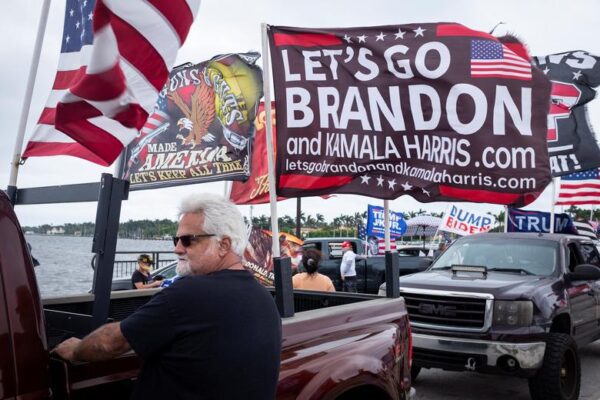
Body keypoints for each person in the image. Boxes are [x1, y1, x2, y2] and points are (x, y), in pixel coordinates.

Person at [53, 193, 282, 400]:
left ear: (223, 245)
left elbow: (110, 343)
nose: (177, 249)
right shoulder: (263, 296)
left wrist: (75, 349)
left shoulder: (189, 294)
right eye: (176, 240)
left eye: (188, 240)